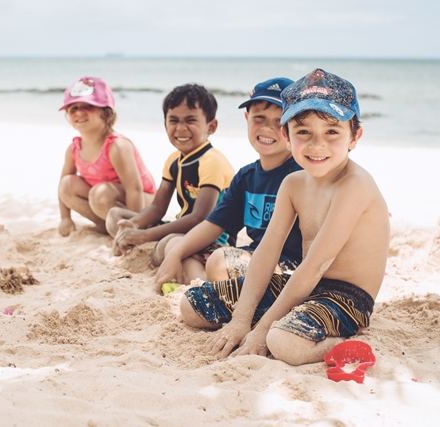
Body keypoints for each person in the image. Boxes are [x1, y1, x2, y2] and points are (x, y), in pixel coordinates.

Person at [180, 69, 390, 366]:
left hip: (347, 298)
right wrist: (241, 319)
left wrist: (263, 328)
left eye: (332, 132)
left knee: (282, 342)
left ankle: (338, 342)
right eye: (304, 132)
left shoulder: (354, 185)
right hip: (303, 286)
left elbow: (317, 264)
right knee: (193, 305)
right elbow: (267, 250)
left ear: (354, 137)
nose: (317, 145)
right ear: (286, 136)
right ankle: (278, 322)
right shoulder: (293, 184)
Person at [155, 77, 302, 293]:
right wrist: (176, 254)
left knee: (219, 260)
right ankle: (203, 290)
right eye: (259, 118)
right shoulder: (246, 176)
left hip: (291, 268)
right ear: (247, 118)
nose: (267, 128)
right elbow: (213, 224)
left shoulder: (302, 176)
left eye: (279, 121)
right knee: (181, 248)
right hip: (253, 257)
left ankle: (211, 293)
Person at [106, 83, 235, 260]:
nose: (181, 128)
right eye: (174, 120)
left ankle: (153, 248)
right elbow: (157, 208)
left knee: (166, 246)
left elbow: (199, 218)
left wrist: (145, 235)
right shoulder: (174, 160)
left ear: (211, 127)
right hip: (181, 228)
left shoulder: (212, 161)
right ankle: (141, 244)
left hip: (211, 240)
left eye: (190, 120)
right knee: (116, 216)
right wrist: (133, 224)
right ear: (165, 124)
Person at [58, 76, 157, 236]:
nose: (79, 112)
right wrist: (65, 218)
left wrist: (134, 227)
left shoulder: (117, 146)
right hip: (105, 204)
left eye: (88, 106)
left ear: (105, 112)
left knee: (101, 193)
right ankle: (107, 227)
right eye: (73, 108)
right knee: (66, 184)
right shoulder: (73, 149)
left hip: (144, 205)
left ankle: (126, 228)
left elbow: (135, 190)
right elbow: (62, 188)